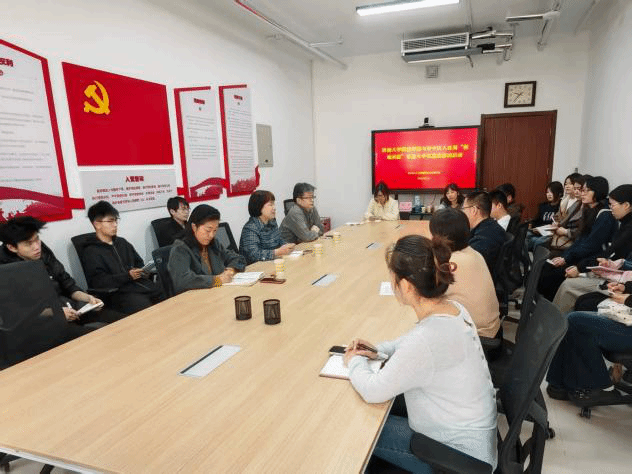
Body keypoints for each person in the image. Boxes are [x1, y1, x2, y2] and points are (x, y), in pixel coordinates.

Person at [343, 235, 497, 472]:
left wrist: (354, 361)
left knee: (359, 428)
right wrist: (376, 351)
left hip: (455, 455)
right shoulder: (453, 308)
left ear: (406, 285)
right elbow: (407, 344)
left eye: (392, 278)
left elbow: (373, 390)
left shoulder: (426, 340)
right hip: (473, 435)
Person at [0, 216, 125, 332]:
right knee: (94, 337)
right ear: (12, 247)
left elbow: (68, 285)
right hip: (42, 323)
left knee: (121, 321)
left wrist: (88, 298)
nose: (37, 247)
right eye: (29, 244)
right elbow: (18, 313)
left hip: (69, 308)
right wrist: (56, 312)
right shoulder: (6, 271)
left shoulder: (43, 253)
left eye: (37, 239)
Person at [553, 185, 632, 313]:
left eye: (613, 205)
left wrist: (580, 267)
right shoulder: (623, 223)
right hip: (613, 274)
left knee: (568, 286)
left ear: (626, 205)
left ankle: (555, 322)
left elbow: (608, 252)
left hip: (618, 280)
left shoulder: (615, 221)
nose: (611, 208)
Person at [537, 177, 618, 301]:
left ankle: (550, 305)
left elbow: (591, 245)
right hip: (582, 254)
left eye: (586, 190)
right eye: (582, 190)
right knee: (546, 266)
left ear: (597, 191)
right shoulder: (589, 210)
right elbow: (580, 240)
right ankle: (540, 302)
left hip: (592, 259)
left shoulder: (605, 215)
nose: (582, 193)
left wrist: (566, 258)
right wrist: (565, 256)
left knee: (553, 274)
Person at [83, 201, 164, 315]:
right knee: (145, 307)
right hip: (117, 294)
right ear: (97, 224)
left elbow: (139, 263)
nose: (115, 224)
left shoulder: (122, 243)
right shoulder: (91, 252)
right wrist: (127, 276)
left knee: (166, 292)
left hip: (138, 286)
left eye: (116, 220)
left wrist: (143, 271)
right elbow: (98, 282)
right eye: (110, 221)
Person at [429, 208, 500, 338]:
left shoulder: (451, 263)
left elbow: (428, 295)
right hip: (491, 329)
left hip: (477, 337)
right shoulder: (473, 252)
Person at [168, 204, 246, 294]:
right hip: (194, 298)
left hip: (217, 293)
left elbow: (238, 259)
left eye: (215, 230)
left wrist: (230, 270)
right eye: (208, 230)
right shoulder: (180, 248)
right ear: (194, 227)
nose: (211, 235)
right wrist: (217, 280)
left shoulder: (213, 243)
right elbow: (183, 281)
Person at [239, 190, 295, 264]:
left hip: (271, 262)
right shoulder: (250, 228)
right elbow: (253, 255)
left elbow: (279, 240)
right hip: (256, 267)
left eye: (274, 204)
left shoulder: (272, 221)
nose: (274, 208)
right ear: (259, 206)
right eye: (270, 205)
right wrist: (277, 252)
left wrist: (286, 246)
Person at [462, 191, 506, 273]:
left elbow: (466, 264)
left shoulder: (483, 239)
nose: (463, 213)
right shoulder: (491, 226)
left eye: (464, 209)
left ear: (474, 210)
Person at [548, 175, 585, 254]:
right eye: (565, 184)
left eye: (570, 184)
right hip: (562, 235)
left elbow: (579, 229)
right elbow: (558, 215)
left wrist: (564, 230)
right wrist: (556, 222)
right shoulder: (565, 200)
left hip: (571, 239)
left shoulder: (579, 203)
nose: (567, 186)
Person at [526, 181, 563, 250]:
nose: (549, 194)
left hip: (551, 234)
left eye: (552, 192)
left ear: (559, 193)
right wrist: (532, 226)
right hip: (540, 231)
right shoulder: (543, 206)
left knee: (537, 241)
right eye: (547, 192)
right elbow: (537, 220)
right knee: (525, 235)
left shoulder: (562, 207)